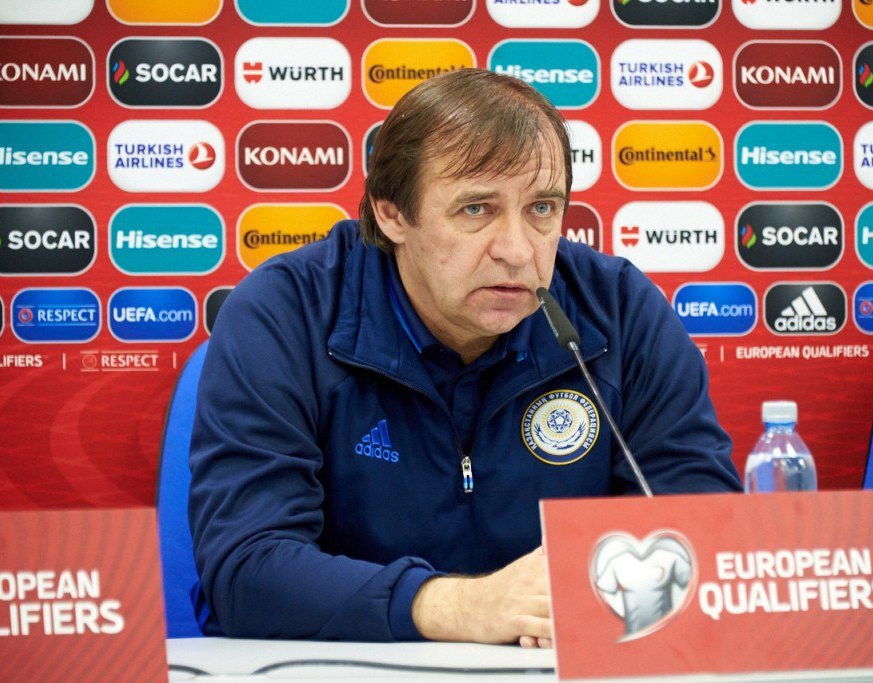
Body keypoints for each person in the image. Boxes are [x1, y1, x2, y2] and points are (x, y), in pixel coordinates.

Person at [188, 68, 741, 648]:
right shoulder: (287, 312)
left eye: (542, 208)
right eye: (476, 209)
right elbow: (245, 570)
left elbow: (702, 533)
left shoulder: (619, 310)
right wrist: (457, 607)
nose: (517, 250)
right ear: (391, 213)